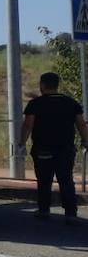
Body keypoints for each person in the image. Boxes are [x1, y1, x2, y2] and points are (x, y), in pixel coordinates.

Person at [19, 72, 88, 221]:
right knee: (66, 180)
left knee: (44, 180)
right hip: (66, 149)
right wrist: (85, 140)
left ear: (42, 85)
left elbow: (27, 125)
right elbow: (81, 124)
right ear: (57, 85)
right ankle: (70, 212)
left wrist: (21, 143)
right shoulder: (71, 102)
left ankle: (44, 210)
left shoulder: (35, 104)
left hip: (42, 148)